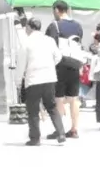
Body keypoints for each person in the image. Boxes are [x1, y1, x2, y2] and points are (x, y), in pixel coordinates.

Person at [15, 17, 65, 146]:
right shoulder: (49, 40)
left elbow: (21, 64)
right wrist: (50, 65)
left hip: (33, 79)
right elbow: (58, 56)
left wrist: (18, 81)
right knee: (51, 106)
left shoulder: (26, 42)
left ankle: (35, 138)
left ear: (29, 27)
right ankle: (61, 133)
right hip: (49, 78)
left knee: (33, 110)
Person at [46, 0, 85, 138]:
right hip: (75, 64)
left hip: (60, 65)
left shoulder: (54, 25)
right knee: (73, 99)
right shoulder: (78, 26)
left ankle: (59, 130)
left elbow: (49, 47)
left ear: (57, 10)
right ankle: (74, 129)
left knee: (59, 98)